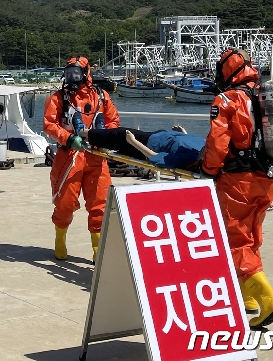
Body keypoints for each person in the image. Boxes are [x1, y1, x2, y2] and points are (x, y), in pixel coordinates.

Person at [201, 48, 273, 329]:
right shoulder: (269, 97)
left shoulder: (227, 99)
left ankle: (267, 301)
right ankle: (248, 297)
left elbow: (217, 143)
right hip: (268, 177)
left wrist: (207, 171)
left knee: (235, 240)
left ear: (226, 71)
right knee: (252, 235)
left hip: (238, 180)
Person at [43, 56, 120, 262]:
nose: (72, 78)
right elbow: (50, 124)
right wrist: (68, 138)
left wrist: (104, 137)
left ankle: (97, 249)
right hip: (69, 156)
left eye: (76, 74)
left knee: (100, 204)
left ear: (86, 74)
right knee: (65, 202)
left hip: (96, 156)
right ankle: (60, 238)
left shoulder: (101, 97)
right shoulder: (58, 98)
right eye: (69, 74)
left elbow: (113, 120)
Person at [80, 125, 205, 171]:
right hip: (161, 136)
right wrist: (183, 133)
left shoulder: (191, 156)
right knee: (115, 136)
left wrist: (133, 142)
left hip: (148, 143)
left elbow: (156, 158)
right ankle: (88, 132)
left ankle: (80, 132)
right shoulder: (206, 145)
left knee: (118, 134)